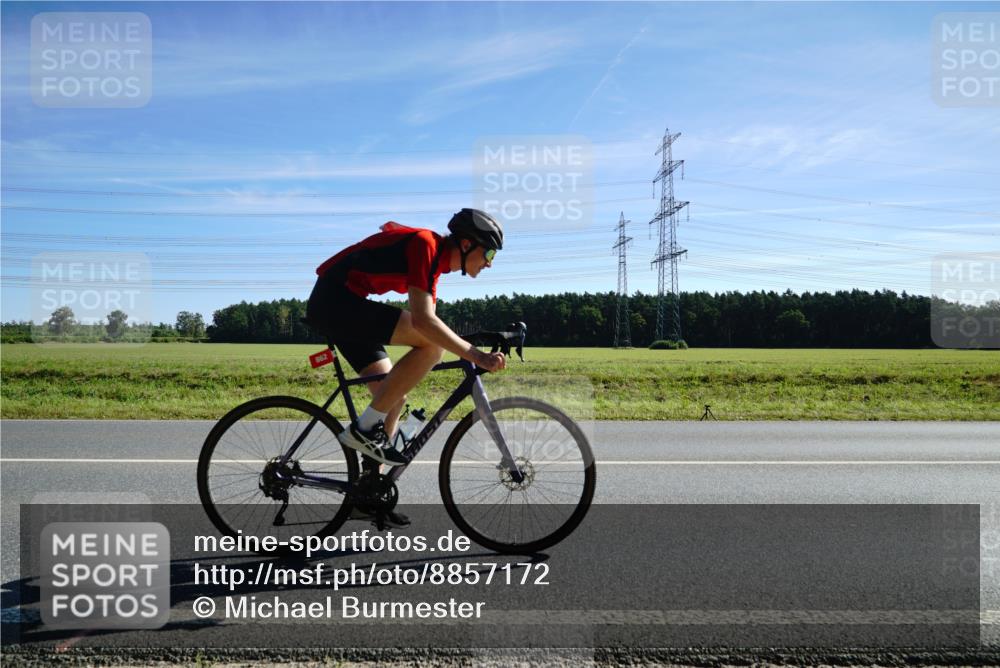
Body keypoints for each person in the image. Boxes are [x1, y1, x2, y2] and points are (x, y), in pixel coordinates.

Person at [305, 208, 507, 523]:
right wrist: (476, 355)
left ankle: (368, 493)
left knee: (392, 394)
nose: (490, 262)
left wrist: (470, 344)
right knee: (433, 347)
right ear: (467, 244)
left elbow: (430, 321)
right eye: (489, 251)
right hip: (337, 303)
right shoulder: (426, 245)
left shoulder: (435, 264)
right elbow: (425, 323)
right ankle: (363, 430)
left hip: (344, 306)